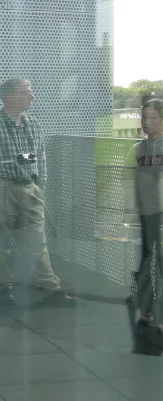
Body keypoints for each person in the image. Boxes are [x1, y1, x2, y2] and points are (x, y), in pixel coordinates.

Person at [0, 77, 78, 306]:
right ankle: (2, 288)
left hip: (29, 188)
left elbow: (39, 157)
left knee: (37, 241)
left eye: (31, 91)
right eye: (26, 92)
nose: (32, 96)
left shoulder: (34, 125)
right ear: (9, 97)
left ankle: (48, 286)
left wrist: (39, 186)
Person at [123, 98, 163, 354]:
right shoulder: (137, 149)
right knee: (149, 260)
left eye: (153, 118)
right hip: (148, 214)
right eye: (144, 117)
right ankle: (149, 311)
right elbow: (129, 184)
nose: (147, 122)